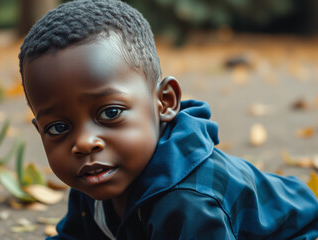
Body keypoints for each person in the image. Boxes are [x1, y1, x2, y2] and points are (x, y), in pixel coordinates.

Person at [18, 0, 318, 239]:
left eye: (110, 113)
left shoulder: (189, 202)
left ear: (165, 101)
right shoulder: (97, 175)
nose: (83, 143)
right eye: (58, 128)